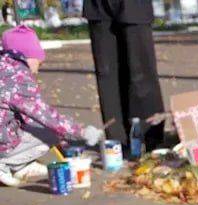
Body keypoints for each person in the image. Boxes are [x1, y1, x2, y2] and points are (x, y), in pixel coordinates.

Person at [0, 26, 102, 187]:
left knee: (34, 126)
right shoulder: (18, 78)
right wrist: (80, 132)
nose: (38, 68)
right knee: (52, 133)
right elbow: (46, 116)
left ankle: (19, 165)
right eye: (39, 62)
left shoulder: (4, 68)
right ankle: (6, 163)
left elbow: (26, 116)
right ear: (27, 56)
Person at [83, 0, 165, 153]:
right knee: (106, 74)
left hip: (133, 6)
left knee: (140, 69)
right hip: (98, 7)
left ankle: (152, 139)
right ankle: (117, 142)